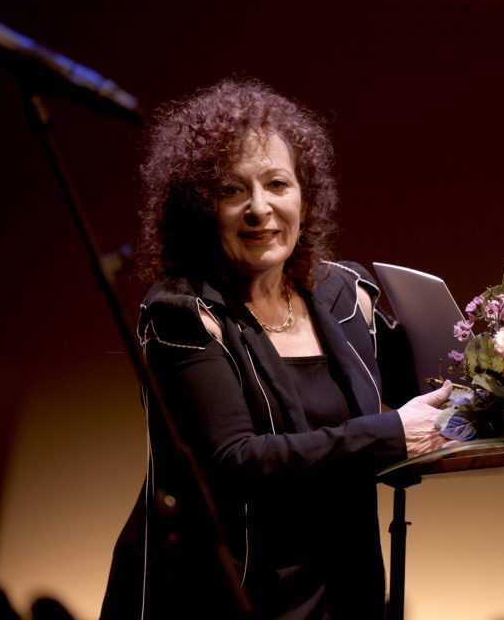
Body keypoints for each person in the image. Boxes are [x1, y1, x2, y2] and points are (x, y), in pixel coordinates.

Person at [100, 77, 451, 619]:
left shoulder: (343, 295)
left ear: (304, 197)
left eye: (277, 184)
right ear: (199, 208)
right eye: (231, 191)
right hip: (227, 596)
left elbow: (436, 389)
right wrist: (388, 435)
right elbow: (232, 461)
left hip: (342, 588)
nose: (258, 208)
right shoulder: (182, 313)